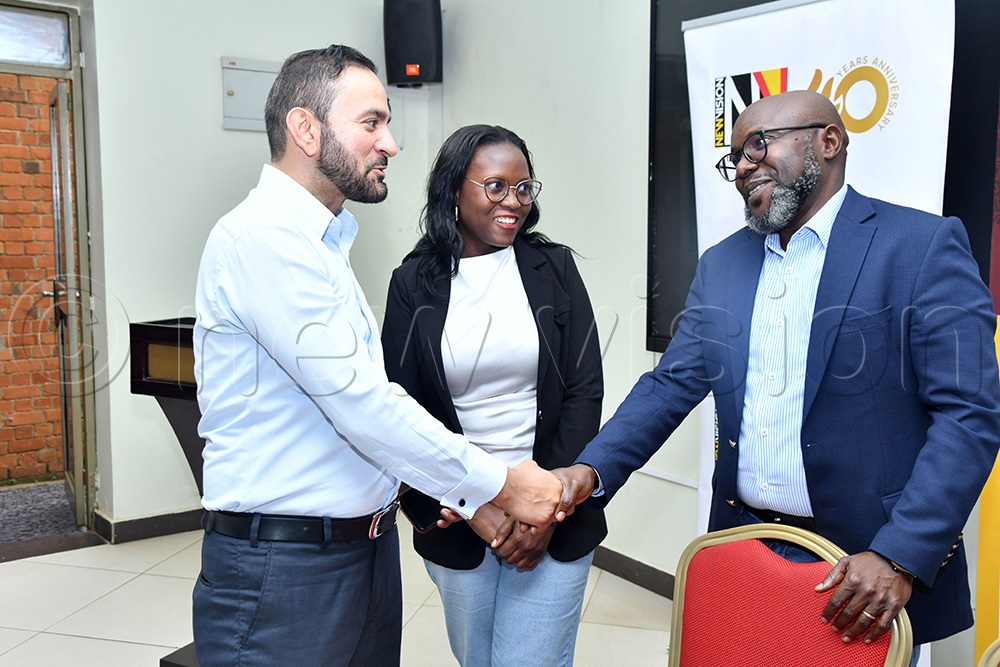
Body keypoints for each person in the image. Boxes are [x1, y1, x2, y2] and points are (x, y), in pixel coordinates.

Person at [554, 90, 1000, 662]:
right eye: (735, 156)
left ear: (829, 142)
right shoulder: (724, 262)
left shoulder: (920, 246)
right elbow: (672, 383)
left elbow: (969, 415)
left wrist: (898, 554)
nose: (742, 167)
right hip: (741, 548)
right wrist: (591, 469)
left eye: (759, 144)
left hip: (861, 568)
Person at [191, 45, 567, 666]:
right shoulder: (263, 240)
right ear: (305, 130)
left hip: (360, 553)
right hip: (285, 572)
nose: (390, 142)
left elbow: (372, 410)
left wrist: (459, 496)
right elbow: (363, 406)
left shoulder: (325, 247)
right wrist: (500, 483)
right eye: (372, 122)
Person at [381, 124, 608, 666]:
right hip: (459, 516)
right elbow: (399, 407)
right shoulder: (414, 282)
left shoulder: (553, 269)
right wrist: (467, 499)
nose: (515, 202)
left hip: (553, 513)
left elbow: (584, 389)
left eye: (525, 187)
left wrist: (543, 509)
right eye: (496, 187)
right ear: (454, 190)